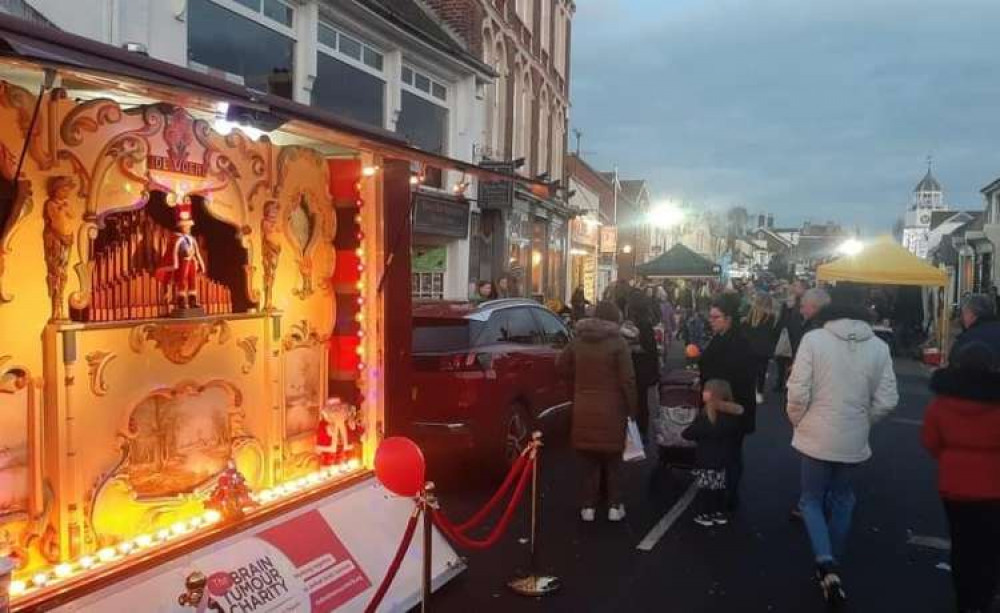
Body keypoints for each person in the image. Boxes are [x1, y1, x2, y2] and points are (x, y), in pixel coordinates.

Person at [785, 292, 898, 604]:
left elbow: (797, 390)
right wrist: (863, 420)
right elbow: (888, 399)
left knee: (810, 499)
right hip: (854, 436)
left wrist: (798, 420)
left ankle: (825, 561)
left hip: (816, 433)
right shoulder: (879, 347)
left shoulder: (814, 340)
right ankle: (832, 560)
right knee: (844, 499)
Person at [921, 341, 1000, 613]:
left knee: (962, 543)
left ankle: (965, 600)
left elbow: (931, 441)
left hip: (954, 483)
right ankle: (983, 596)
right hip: (993, 484)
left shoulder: (942, 404)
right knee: (989, 545)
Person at [557, 301, 638, 523]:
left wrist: (578, 381)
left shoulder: (578, 341)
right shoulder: (619, 343)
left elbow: (561, 365)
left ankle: (588, 507)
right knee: (613, 460)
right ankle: (614, 506)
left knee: (588, 461)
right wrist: (633, 408)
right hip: (613, 409)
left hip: (584, 406)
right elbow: (628, 380)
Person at [698, 293, 757, 510]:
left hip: (729, 408)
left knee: (728, 454)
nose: (711, 321)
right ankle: (723, 495)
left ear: (729, 318)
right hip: (724, 406)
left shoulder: (737, 344)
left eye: (716, 317)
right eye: (710, 317)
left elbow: (733, 378)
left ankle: (725, 497)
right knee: (726, 454)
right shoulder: (722, 338)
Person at [683, 379, 744, 527]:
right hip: (724, 458)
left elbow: (688, 434)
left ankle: (705, 514)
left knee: (706, 488)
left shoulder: (707, 417)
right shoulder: (734, 416)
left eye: (705, 391)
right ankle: (719, 513)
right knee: (719, 486)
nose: (702, 393)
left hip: (706, 458)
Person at [626, 289, 659, 438]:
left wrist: (630, 347)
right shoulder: (645, 323)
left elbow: (645, 348)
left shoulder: (642, 325)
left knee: (638, 401)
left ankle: (639, 432)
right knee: (642, 400)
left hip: (639, 368)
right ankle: (641, 431)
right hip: (644, 369)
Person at [743, 291, 780, 404]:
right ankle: (759, 393)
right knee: (762, 371)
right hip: (765, 349)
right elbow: (775, 333)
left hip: (750, 348)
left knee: (750, 370)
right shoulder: (772, 317)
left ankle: (749, 390)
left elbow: (744, 332)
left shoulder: (750, 315)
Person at [949, 293, 1000, 363]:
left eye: (963, 313)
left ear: (971, 314)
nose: (961, 318)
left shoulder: (966, 341)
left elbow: (954, 367)